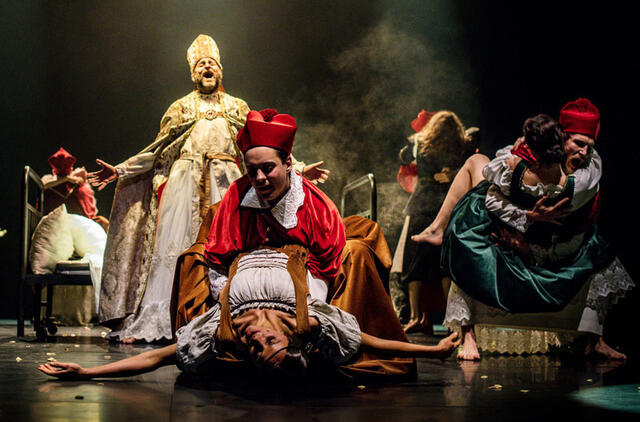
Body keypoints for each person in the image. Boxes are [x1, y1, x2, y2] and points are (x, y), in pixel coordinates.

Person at [38, 110, 461, 380]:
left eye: (267, 169)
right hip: (296, 277)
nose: (258, 178)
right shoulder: (307, 320)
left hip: (255, 272)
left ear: (287, 164)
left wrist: (87, 374)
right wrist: (434, 353)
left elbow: (158, 357)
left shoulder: (223, 331)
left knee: (191, 258)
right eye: (253, 169)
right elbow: (370, 338)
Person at [89, 35, 327, 343]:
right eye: (200, 64)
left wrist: (300, 168)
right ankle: (168, 317)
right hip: (184, 188)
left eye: (211, 63)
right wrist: (121, 169)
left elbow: (266, 145)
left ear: (220, 70)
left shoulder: (236, 107)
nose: (206, 68)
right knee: (176, 250)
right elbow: (157, 151)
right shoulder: (180, 108)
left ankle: (225, 314)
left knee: (226, 247)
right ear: (192, 73)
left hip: (225, 185)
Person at [423, 100, 633, 360]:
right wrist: (528, 216)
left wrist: (531, 245)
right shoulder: (523, 165)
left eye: (590, 146)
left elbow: (575, 210)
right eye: (579, 143)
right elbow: (493, 198)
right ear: (561, 139)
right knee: (469, 237)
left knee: (599, 252)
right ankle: (467, 335)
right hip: (514, 227)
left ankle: (595, 340)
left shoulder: (585, 175)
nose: (584, 152)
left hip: (557, 243)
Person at [391, 110, 476, 333]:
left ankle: (414, 317)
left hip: (422, 205)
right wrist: (453, 172)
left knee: (414, 264)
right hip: (447, 206)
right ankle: (451, 320)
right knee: (444, 266)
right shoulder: (461, 145)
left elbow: (403, 157)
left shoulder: (421, 142)